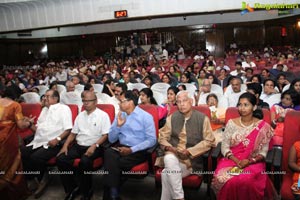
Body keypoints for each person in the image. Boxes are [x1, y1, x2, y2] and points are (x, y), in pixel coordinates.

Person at [212, 92, 276, 200]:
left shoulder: (262, 127)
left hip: (253, 162)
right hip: (231, 160)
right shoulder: (231, 123)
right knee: (222, 178)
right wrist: (236, 160)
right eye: (240, 105)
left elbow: (263, 152)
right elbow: (224, 147)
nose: (242, 108)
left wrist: (249, 161)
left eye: (246, 105)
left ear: (254, 107)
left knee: (246, 180)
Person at [157, 90, 216, 200]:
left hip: (191, 162)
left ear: (191, 101)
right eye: (178, 102)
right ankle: (179, 197)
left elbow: (209, 141)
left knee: (166, 173)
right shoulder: (172, 117)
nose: (182, 104)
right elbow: (162, 136)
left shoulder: (202, 118)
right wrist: (169, 147)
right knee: (170, 158)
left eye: (184, 101)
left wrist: (190, 151)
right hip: (174, 156)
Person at [56, 91, 111, 200]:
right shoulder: (80, 115)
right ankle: (72, 188)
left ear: (95, 101)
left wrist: (95, 145)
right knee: (61, 159)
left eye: (88, 101)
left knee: (85, 162)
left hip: (95, 145)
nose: (86, 103)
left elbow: (106, 135)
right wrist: (65, 145)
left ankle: (87, 191)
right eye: (84, 101)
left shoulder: (103, 115)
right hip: (79, 145)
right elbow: (73, 133)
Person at [102, 90, 156, 200]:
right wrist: (118, 126)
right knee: (108, 152)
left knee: (112, 165)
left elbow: (152, 140)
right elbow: (111, 139)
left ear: (130, 102)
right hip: (121, 147)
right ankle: (113, 195)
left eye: (121, 101)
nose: (119, 104)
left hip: (138, 150)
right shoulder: (120, 115)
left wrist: (131, 150)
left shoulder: (146, 117)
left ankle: (111, 195)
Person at [21, 89, 73, 196]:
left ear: (55, 98)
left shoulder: (64, 109)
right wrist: (30, 125)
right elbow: (38, 130)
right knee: (22, 152)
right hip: (39, 141)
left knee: (35, 157)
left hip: (54, 142)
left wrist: (57, 139)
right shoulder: (44, 110)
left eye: (47, 96)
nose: (45, 98)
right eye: (44, 96)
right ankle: (32, 178)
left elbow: (68, 129)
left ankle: (41, 178)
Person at [0, 86, 33, 200]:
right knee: (13, 164)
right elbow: (20, 125)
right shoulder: (15, 105)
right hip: (8, 140)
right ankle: (13, 194)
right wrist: (29, 122)